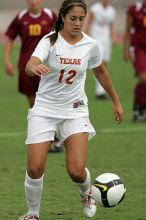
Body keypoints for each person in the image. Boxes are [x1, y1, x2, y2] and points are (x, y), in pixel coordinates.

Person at [19, 0, 123, 219]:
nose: (77, 23)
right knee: (35, 168)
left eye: (81, 18)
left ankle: (87, 193)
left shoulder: (91, 45)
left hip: (75, 111)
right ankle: (32, 214)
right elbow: (30, 65)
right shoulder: (50, 40)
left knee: (76, 171)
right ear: (63, 17)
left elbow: (101, 72)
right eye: (73, 18)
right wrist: (34, 67)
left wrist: (116, 101)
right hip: (45, 110)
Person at [4, 0, 63, 152]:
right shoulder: (21, 17)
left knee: (50, 100)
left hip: (47, 66)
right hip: (27, 67)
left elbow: (61, 34)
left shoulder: (50, 16)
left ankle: (54, 138)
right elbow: (10, 38)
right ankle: (48, 137)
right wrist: (7, 61)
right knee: (34, 104)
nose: (34, 1)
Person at [85, 0, 116, 99]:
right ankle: (99, 91)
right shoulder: (95, 8)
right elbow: (89, 23)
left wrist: (112, 36)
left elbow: (111, 25)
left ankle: (102, 88)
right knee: (99, 63)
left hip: (106, 38)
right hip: (96, 36)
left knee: (105, 63)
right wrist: (88, 37)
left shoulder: (112, 10)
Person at [123, 0, 146, 122]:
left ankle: (139, 109)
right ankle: (139, 108)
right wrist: (125, 49)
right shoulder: (134, 10)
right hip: (137, 48)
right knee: (144, 78)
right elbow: (127, 30)